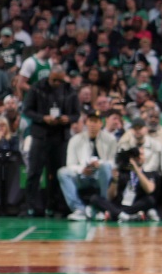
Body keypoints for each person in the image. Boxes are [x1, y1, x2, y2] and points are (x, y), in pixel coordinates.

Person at [22, 64, 80, 216]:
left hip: (60, 137)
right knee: (34, 172)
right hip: (41, 135)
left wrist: (68, 119)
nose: (57, 84)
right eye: (54, 80)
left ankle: (55, 206)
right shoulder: (37, 88)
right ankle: (32, 207)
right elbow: (27, 110)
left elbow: (77, 114)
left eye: (60, 81)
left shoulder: (70, 90)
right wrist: (43, 118)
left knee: (57, 173)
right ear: (49, 76)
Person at [59, 110, 117, 221]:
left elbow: (112, 162)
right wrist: (83, 170)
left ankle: (102, 206)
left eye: (96, 121)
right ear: (86, 123)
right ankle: (79, 209)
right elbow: (70, 164)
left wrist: (98, 165)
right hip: (83, 176)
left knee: (105, 167)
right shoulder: (75, 140)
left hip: (101, 176)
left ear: (101, 123)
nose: (93, 124)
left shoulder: (111, 139)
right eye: (91, 121)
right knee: (62, 172)